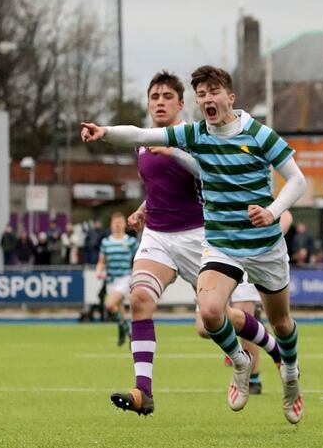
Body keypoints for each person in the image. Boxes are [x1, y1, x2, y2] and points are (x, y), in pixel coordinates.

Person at [81, 65, 307, 424]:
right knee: (209, 313)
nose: (207, 99)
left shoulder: (259, 134)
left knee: (281, 322)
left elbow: (297, 180)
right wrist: (105, 132)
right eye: (202, 94)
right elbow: (139, 133)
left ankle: (291, 374)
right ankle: (239, 362)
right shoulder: (194, 134)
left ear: (230, 97)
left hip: (261, 243)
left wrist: (273, 210)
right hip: (220, 244)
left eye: (213, 92)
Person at [96, 212, 138, 346]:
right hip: (111, 281)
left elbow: (140, 258)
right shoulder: (106, 242)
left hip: (125, 278)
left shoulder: (130, 241)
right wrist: (99, 271)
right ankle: (123, 331)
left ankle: (130, 334)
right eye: (115, 223)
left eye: (120, 222)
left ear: (125, 225)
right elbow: (101, 261)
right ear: (111, 225)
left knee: (109, 304)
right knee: (119, 309)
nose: (117, 225)